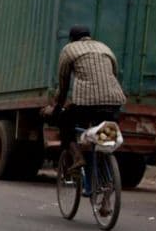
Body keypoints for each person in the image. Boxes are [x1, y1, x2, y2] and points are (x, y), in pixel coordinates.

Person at [41, 25, 127, 172]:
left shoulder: (69, 49)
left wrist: (56, 108)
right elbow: (113, 74)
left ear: (71, 39)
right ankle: (103, 166)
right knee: (104, 133)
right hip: (114, 102)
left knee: (65, 121)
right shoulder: (105, 48)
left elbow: (63, 84)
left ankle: (77, 157)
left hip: (86, 104)